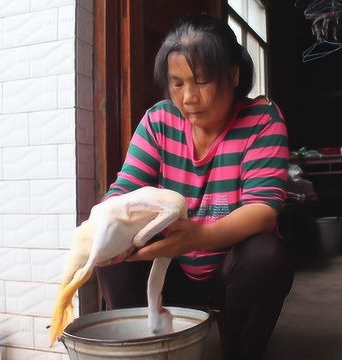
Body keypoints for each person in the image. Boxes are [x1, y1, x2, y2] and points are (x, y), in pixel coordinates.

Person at [93, 13, 294, 360]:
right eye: (177, 84)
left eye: (201, 82)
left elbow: (262, 208)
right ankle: (137, 351)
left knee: (267, 256)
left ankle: (241, 351)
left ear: (233, 75)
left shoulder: (262, 120)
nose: (188, 98)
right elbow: (125, 190)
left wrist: (198, 236)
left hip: (231, 269)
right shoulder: (159, 121)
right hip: (167, 267)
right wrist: (106, 225)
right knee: (109, 247)